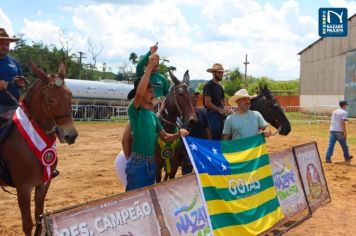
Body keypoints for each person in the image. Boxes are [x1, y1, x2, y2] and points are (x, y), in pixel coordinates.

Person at [126, 53, 189, 191]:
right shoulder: (135, 111)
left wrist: (179, 134)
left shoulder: (153, 116)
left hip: (151, 164)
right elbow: (139, 94)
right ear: (141, 95)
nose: (153, 93)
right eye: (150, 91)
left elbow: (165, 136)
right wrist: (149, 68)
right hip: (138, 163)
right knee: (135, 197)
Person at [181, 91, 212, 175]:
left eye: (196, 97)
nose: (195, 98)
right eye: (193, 96)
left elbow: (207, 129)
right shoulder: (182, 114)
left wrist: (208, 145)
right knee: (186, 176)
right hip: (187, 151)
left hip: (201, 149)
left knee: (203, 174)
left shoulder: (202, 113)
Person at [0, 28, 26, 120]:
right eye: (1, 43)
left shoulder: (14, 62)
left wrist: (21, 84)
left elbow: (21, 82)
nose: (5, 46)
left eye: (7, 44)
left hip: (13, 106)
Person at [203, 63, 231, 140]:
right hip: (211, 114)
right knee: (216, 132)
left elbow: (223, 99)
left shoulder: (220, 87)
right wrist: (220, 110)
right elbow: (207, 103)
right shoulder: (208, 85)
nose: (221, 74)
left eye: (222, 72)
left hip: (220, 113)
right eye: (219, 72)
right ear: (213, 73)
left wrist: (226, 108)